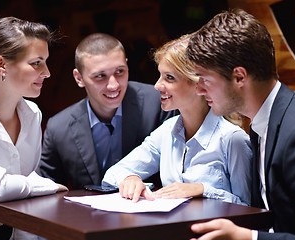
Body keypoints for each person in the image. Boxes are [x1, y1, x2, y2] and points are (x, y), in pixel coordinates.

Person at [186, 8, 295, 240]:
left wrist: (248, 238)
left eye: (205, 79)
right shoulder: (261, 121)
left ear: (240, 77)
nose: (199, 89)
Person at [102, 33, 252, 205]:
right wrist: (130, 178)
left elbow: (250, 209)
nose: (157, 86)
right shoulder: (166, 131)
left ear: (199, 83)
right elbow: (112, 174)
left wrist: (204, 190)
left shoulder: (233, 139)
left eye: (169, 78)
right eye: (160, 76)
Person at [0, 17, 68, 240]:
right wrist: (46, 185)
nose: (47, 72)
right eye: (36, 63)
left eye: (46, 62)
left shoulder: (33, 114)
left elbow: (19, 189)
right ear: (0, 65)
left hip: (22, 232)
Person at [38, 33, 177, 190]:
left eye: (119, 72)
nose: (113, 85)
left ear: (127, 65)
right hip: (86, 213)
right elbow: (47, 190)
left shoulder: (159, 103)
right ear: (79, 78)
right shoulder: (58, 128)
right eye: (100, 76)